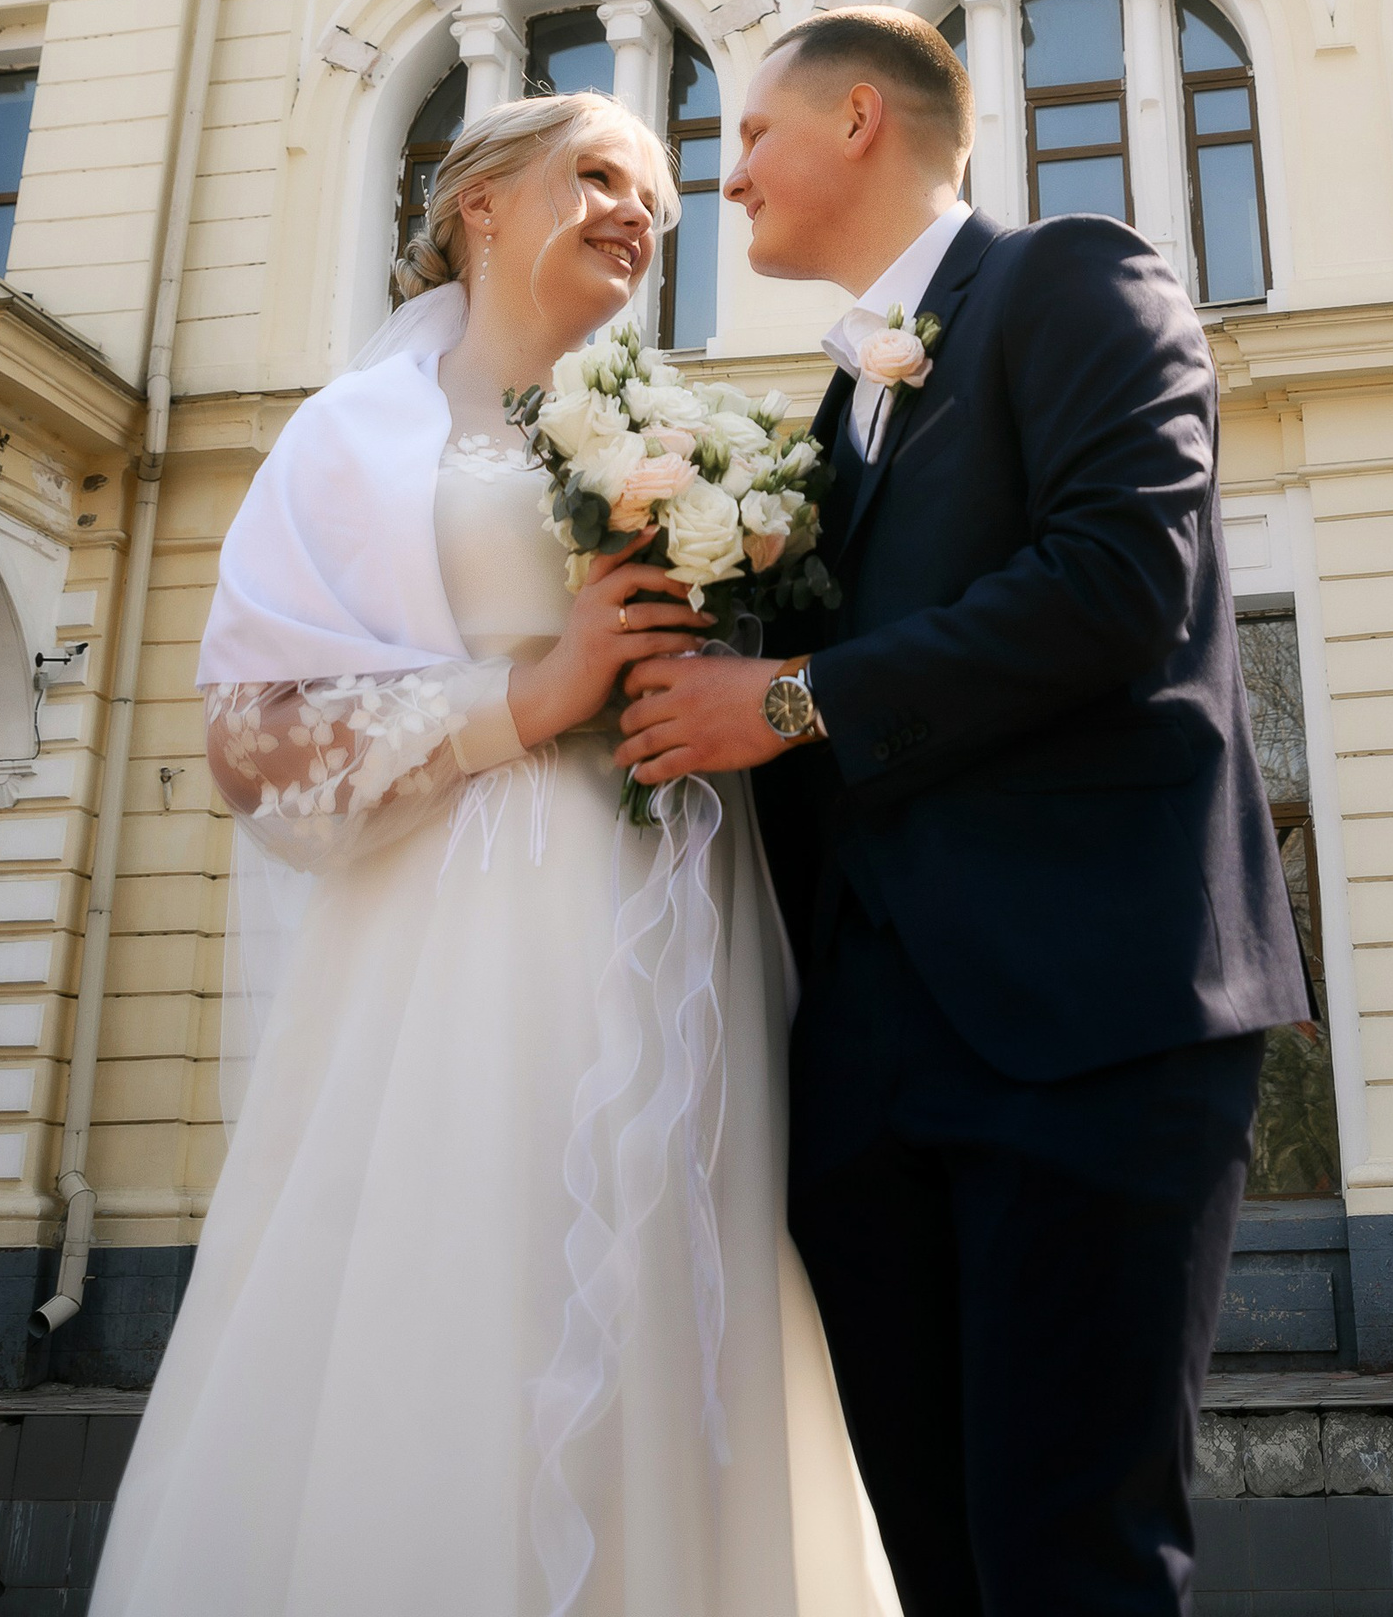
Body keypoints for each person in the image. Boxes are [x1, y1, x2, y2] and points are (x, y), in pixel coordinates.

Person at [91, 90, 893, 1617]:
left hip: (680, 914)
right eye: (597, 177)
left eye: (654, 195)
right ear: (478, 206)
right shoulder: (353, 438)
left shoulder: (688, 432)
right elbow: (250, 744)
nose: (637, 214)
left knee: (684, 1285)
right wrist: (526, 695)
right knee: (475, 1274)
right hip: (467, 928)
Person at [617, 8, 1309, 1616]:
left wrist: (784, 701)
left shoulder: (1076, 279)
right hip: (867, 1076)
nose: (732, 189)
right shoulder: (830, 420)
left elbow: (1117, 585)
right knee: (941, 1571)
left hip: (1085, 1030)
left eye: (754, 141)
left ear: (861, 119)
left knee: (1072, 1559)